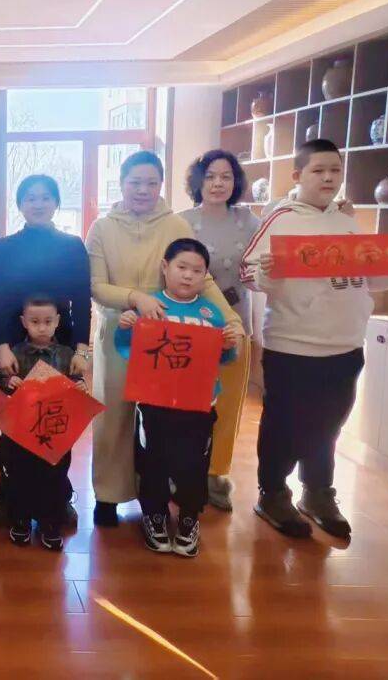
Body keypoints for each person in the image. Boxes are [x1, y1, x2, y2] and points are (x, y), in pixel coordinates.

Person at [241, 139, 388, 541]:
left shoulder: (347, 221)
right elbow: (248, 272)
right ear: (298, 175)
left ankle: (317, 493)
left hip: (346, 344)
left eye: (335, 170)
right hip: (293, 345)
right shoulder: (281, 218)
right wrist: (267, 272)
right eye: (318, 170)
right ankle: (272, 493)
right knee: (284, 424)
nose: (328, 178)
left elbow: (367, 275)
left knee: (329, 424)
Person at [85, 150, 242, 528]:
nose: (143, 190)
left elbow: (200, 276)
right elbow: (96, 286)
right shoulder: (103, 228)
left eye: (151, 183)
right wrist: (135, 299)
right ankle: (108, 494)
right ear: (121, 184)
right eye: (135, 182)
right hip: (120, 327)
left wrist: (231, 318)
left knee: (163, 419)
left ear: (161, 185)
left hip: (169, 334)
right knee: (114, 416)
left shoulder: (174, 225)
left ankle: (154, 495)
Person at [115, 239, 239, 557]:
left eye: (197, 270)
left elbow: (225, 359)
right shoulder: (151, 306)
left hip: (198, 406)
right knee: (152, 462)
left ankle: (188, 518)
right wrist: (127, 326)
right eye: (181, 267)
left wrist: (228, 345)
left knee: (193, 465)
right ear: (165, 267)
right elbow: (128, 350)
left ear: (205, 275)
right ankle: (154, 515)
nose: (188, 275)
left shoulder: (211, 313)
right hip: (155, 404)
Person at [0, 174, 91, 528]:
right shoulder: (3, 248)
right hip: (15, 346)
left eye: (46, 197)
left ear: (56, 202)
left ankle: (58, 498)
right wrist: (1, 347)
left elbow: (82, 301)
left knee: (56, 425)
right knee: (14, 428)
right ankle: (10, 497)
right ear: (20, 204)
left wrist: (82, 350)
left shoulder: (72, 246)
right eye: (30, 197)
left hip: (60, 347)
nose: (39, 203)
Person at [178, 152, 260, 511]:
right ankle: (182, 470)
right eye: (210, 176)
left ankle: (216, 473)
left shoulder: (248, 220)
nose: (217, 183)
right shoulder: (182, 222)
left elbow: (267, 260)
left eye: (226, 176)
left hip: (234, 321)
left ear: (235, 182)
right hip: (191, 322)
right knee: (187, 402)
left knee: (227, 402)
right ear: (198, 181)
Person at [0, 295, 86, 552]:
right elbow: (2, 383)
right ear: (23, 322)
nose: (41, 327)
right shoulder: (14, 353)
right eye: (35, 322)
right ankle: (21, 520)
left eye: (48, 322)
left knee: (55, 476)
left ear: (58, 321)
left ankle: (50, 523)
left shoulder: (67, 354)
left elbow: (75, 382)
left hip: (55, 430)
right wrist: (9, 382)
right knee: (20, 474)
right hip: (22, 431)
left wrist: (79, 386)